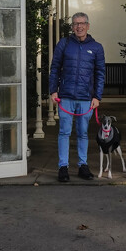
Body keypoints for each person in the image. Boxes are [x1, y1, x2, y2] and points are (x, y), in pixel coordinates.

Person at [49, 12, 105, 182]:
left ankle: (83, 165)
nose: (79, 26)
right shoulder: (64, 44)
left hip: (86, 99)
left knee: (82, 133)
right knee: (64, 132)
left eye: (82, 23)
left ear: (88, 25)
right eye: (75, 24)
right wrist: (53, 90)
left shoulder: (96, 47)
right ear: (72, 27)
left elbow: (100, 73)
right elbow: (55, 68)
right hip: (65, 97)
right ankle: (63, 167)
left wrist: (97, 97)